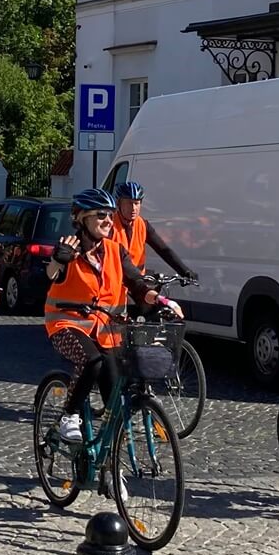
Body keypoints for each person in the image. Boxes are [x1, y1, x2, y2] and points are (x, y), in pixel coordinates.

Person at [45, 188, 181, 442]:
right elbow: (52, 274)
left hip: (107, 331)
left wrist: (160, 301)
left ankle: (110, 468)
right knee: (91, 361)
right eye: (100, 216)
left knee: (115, 398)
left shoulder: (115, 251)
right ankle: (69, 416)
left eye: (109, 215)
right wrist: (57, 260)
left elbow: (138, 284)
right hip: (67, 325)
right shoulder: (69, 248)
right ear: (81, 218)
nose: (108, 221)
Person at [112, 181, 196, 279]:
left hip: (137, 284)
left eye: (136, 203)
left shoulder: (143, 225)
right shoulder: (109, 225)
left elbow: (163, 250)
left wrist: (185, 271)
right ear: (118, 204)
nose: (133, 208)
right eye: (129, 203)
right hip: (116, 282)